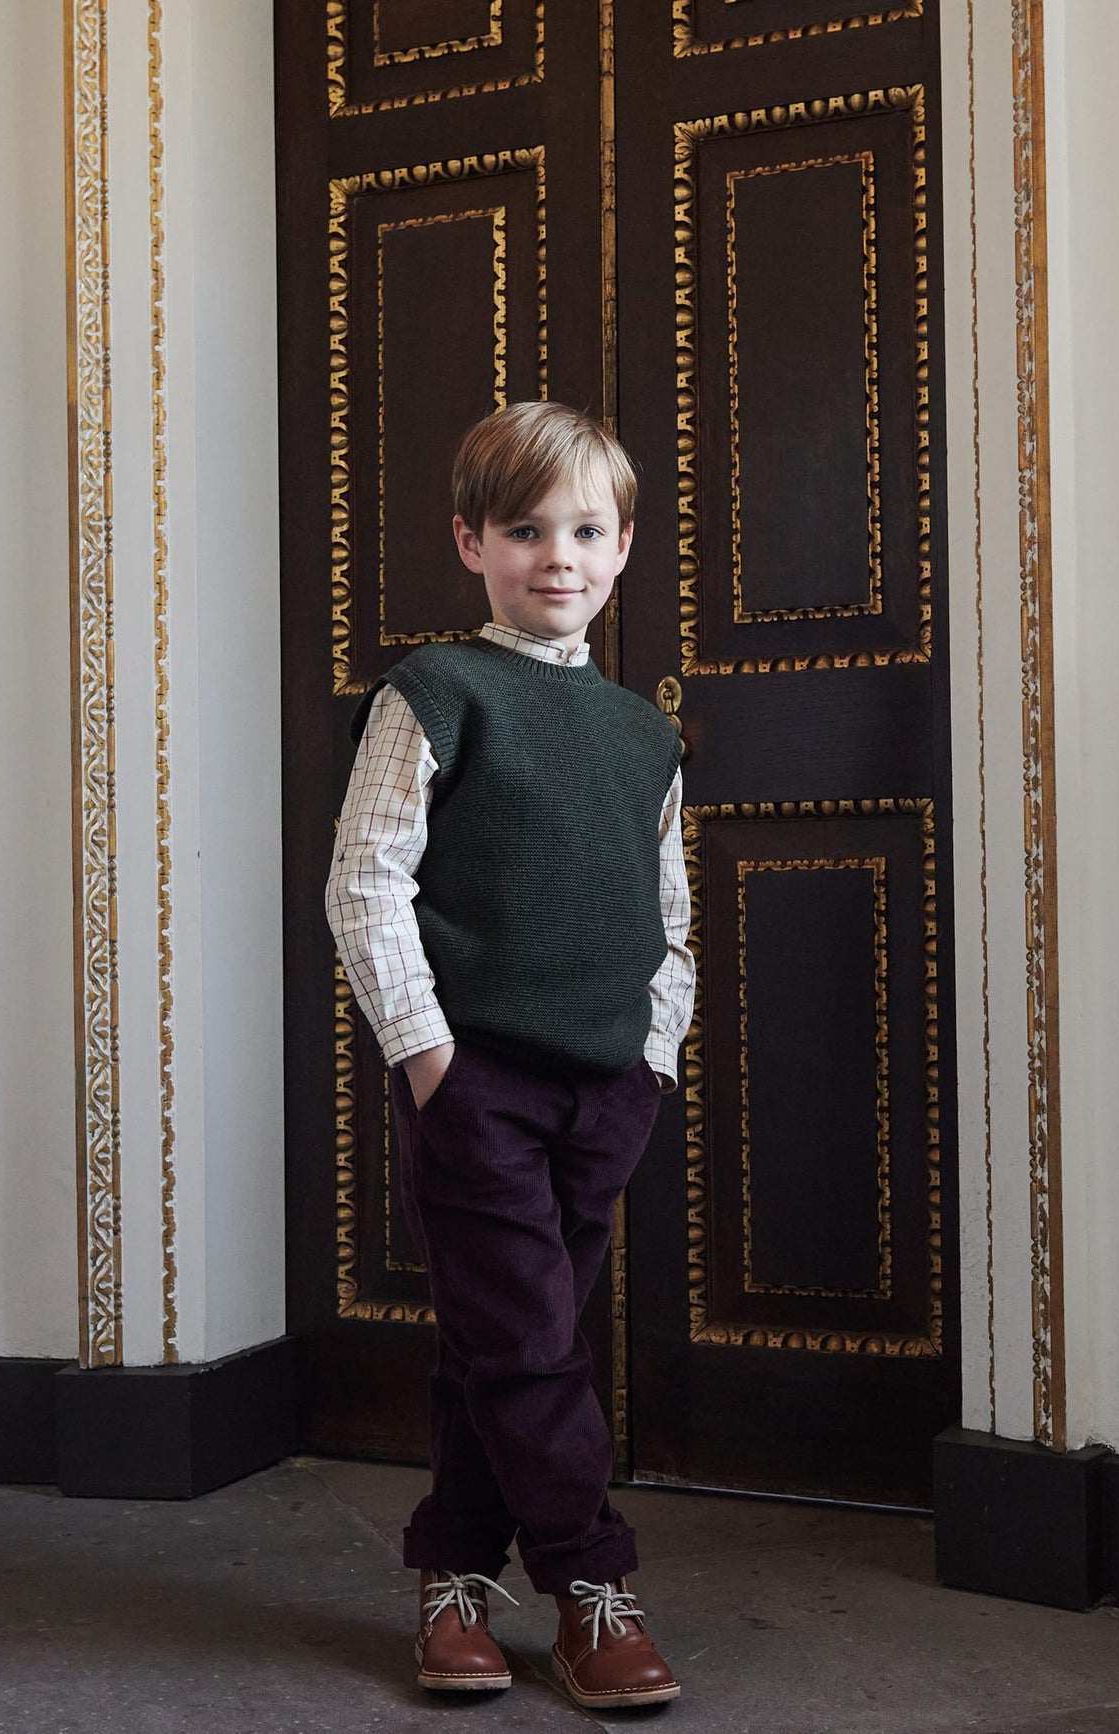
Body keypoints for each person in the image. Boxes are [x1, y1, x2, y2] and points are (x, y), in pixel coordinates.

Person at [324, 399, 694, 1710]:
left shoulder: (644, 734)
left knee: (504, 1339)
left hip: (607, 1092)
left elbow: (672, 918)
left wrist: (648, 1059)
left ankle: (452, 1578)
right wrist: (432, 1060)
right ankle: (594, 1587)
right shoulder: (437, 689)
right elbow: (366, 880)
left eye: (587, 528)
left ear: (625, 544)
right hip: (478, 1082)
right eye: (525, 528)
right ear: (471, 540)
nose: (559, 554)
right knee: (533, 1344)